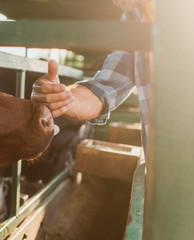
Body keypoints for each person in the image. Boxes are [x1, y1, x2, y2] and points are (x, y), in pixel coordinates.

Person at [31, 0, 153, 156]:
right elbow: (108, 87)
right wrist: (62, 98)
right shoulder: (131, 20)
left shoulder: (191, 13)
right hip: (159, 168)